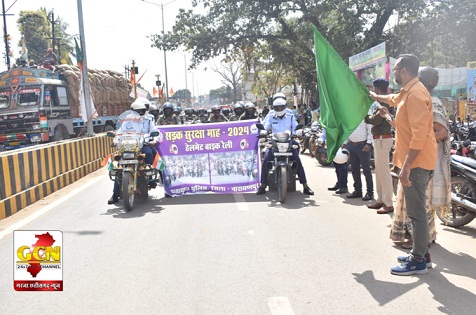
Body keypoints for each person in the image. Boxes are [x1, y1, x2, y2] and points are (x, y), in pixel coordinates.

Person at [370, 54, 436, 276]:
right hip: (415, 161)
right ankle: (422, 254)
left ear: (405, 70)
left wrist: (406, 167)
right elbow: (393, 99)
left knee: (417, 214)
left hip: (416, 163)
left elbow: (418, 137)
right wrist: (373, 96)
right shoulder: (408, 91)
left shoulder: (416, 94)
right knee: (416, 212)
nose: (394, 73)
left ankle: (418, 260)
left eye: (396, 69)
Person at [389, 67, 451, 250]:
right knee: (416, 202)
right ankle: (419, 244)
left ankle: (419, 247)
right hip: (416, 156)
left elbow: (441, 131)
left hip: (421, 159)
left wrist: (423, 139)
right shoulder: (417, 96)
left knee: (419, 204)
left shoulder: (425, 99)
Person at [256, 98, 314, 196]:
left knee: (297, 160)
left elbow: (295, 127)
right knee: (266, 160)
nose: (279, 109)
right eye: (276, 108)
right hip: (274, 142)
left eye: (281, 107)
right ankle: (263, 185)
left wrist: (298, 132)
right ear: (273, 108)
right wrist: (263, 132)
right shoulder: (270, 117)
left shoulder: (290, 116)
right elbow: (265, 127)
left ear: (285, 107)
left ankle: (305, 185)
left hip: (288, 142)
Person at [108, 101, 157, 204]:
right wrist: (115, 140)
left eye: (142, 111)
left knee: (148, 153)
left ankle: (149, 174)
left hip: (141, 145)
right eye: (138, 111)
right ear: (133, 111)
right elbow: (120, 132)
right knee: (118, 167)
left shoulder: (147, 120)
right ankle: (115, 194)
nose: (140, 113)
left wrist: (153, 140)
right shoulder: (127, 120)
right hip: (127, 146)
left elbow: (154, 131)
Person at [365, 78, 394, 214]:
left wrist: (365, 117)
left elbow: (375, 120)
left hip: (383, 139)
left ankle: (388, 203)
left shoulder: (384, 103)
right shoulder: (381, 102)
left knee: (384, 172)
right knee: (379, 172)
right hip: (379, 139)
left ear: (377, 89)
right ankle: (380, 199)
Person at [344, 118, 374, 201]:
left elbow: (370, 130)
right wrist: (345, 143)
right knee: (354, 170)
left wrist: (368, 143)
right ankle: (358, 190)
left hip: (363, 146)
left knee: (366, 170)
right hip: (352, 145)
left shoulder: (365, 114)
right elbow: (348, 130)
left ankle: (370, 192)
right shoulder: (351, 115)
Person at [323, 129, 349, 194]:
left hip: (342, 143)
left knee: (342, 166)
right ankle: (339, 183)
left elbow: (347, 129)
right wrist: (323, 139)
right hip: (332, 144)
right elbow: (326, 128)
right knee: (337, 166)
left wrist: (345, 142)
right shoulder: (330, 120)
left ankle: (343, 186)